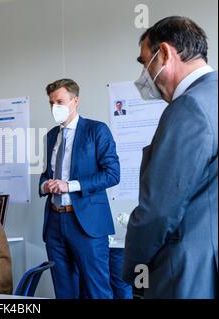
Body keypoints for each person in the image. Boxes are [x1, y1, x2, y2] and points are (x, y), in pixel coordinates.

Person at [122, 16, 217, 299]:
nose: (146, 76)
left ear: (164, 53)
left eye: (144, 62)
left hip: (184, 274)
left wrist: (133, 269)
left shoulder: (189, 107)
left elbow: (158, 210)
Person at [39, 78, 120, 299]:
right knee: (64, 292)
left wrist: (70, 186)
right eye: (51, 103)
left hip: (87, 223)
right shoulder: (50, 137)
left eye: (60, 101)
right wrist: (46, 185)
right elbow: (46, 175)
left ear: (75, 101)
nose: (55, 107)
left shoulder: (96, 130)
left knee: (96, 290)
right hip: (55, 223)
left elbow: (112, 174)